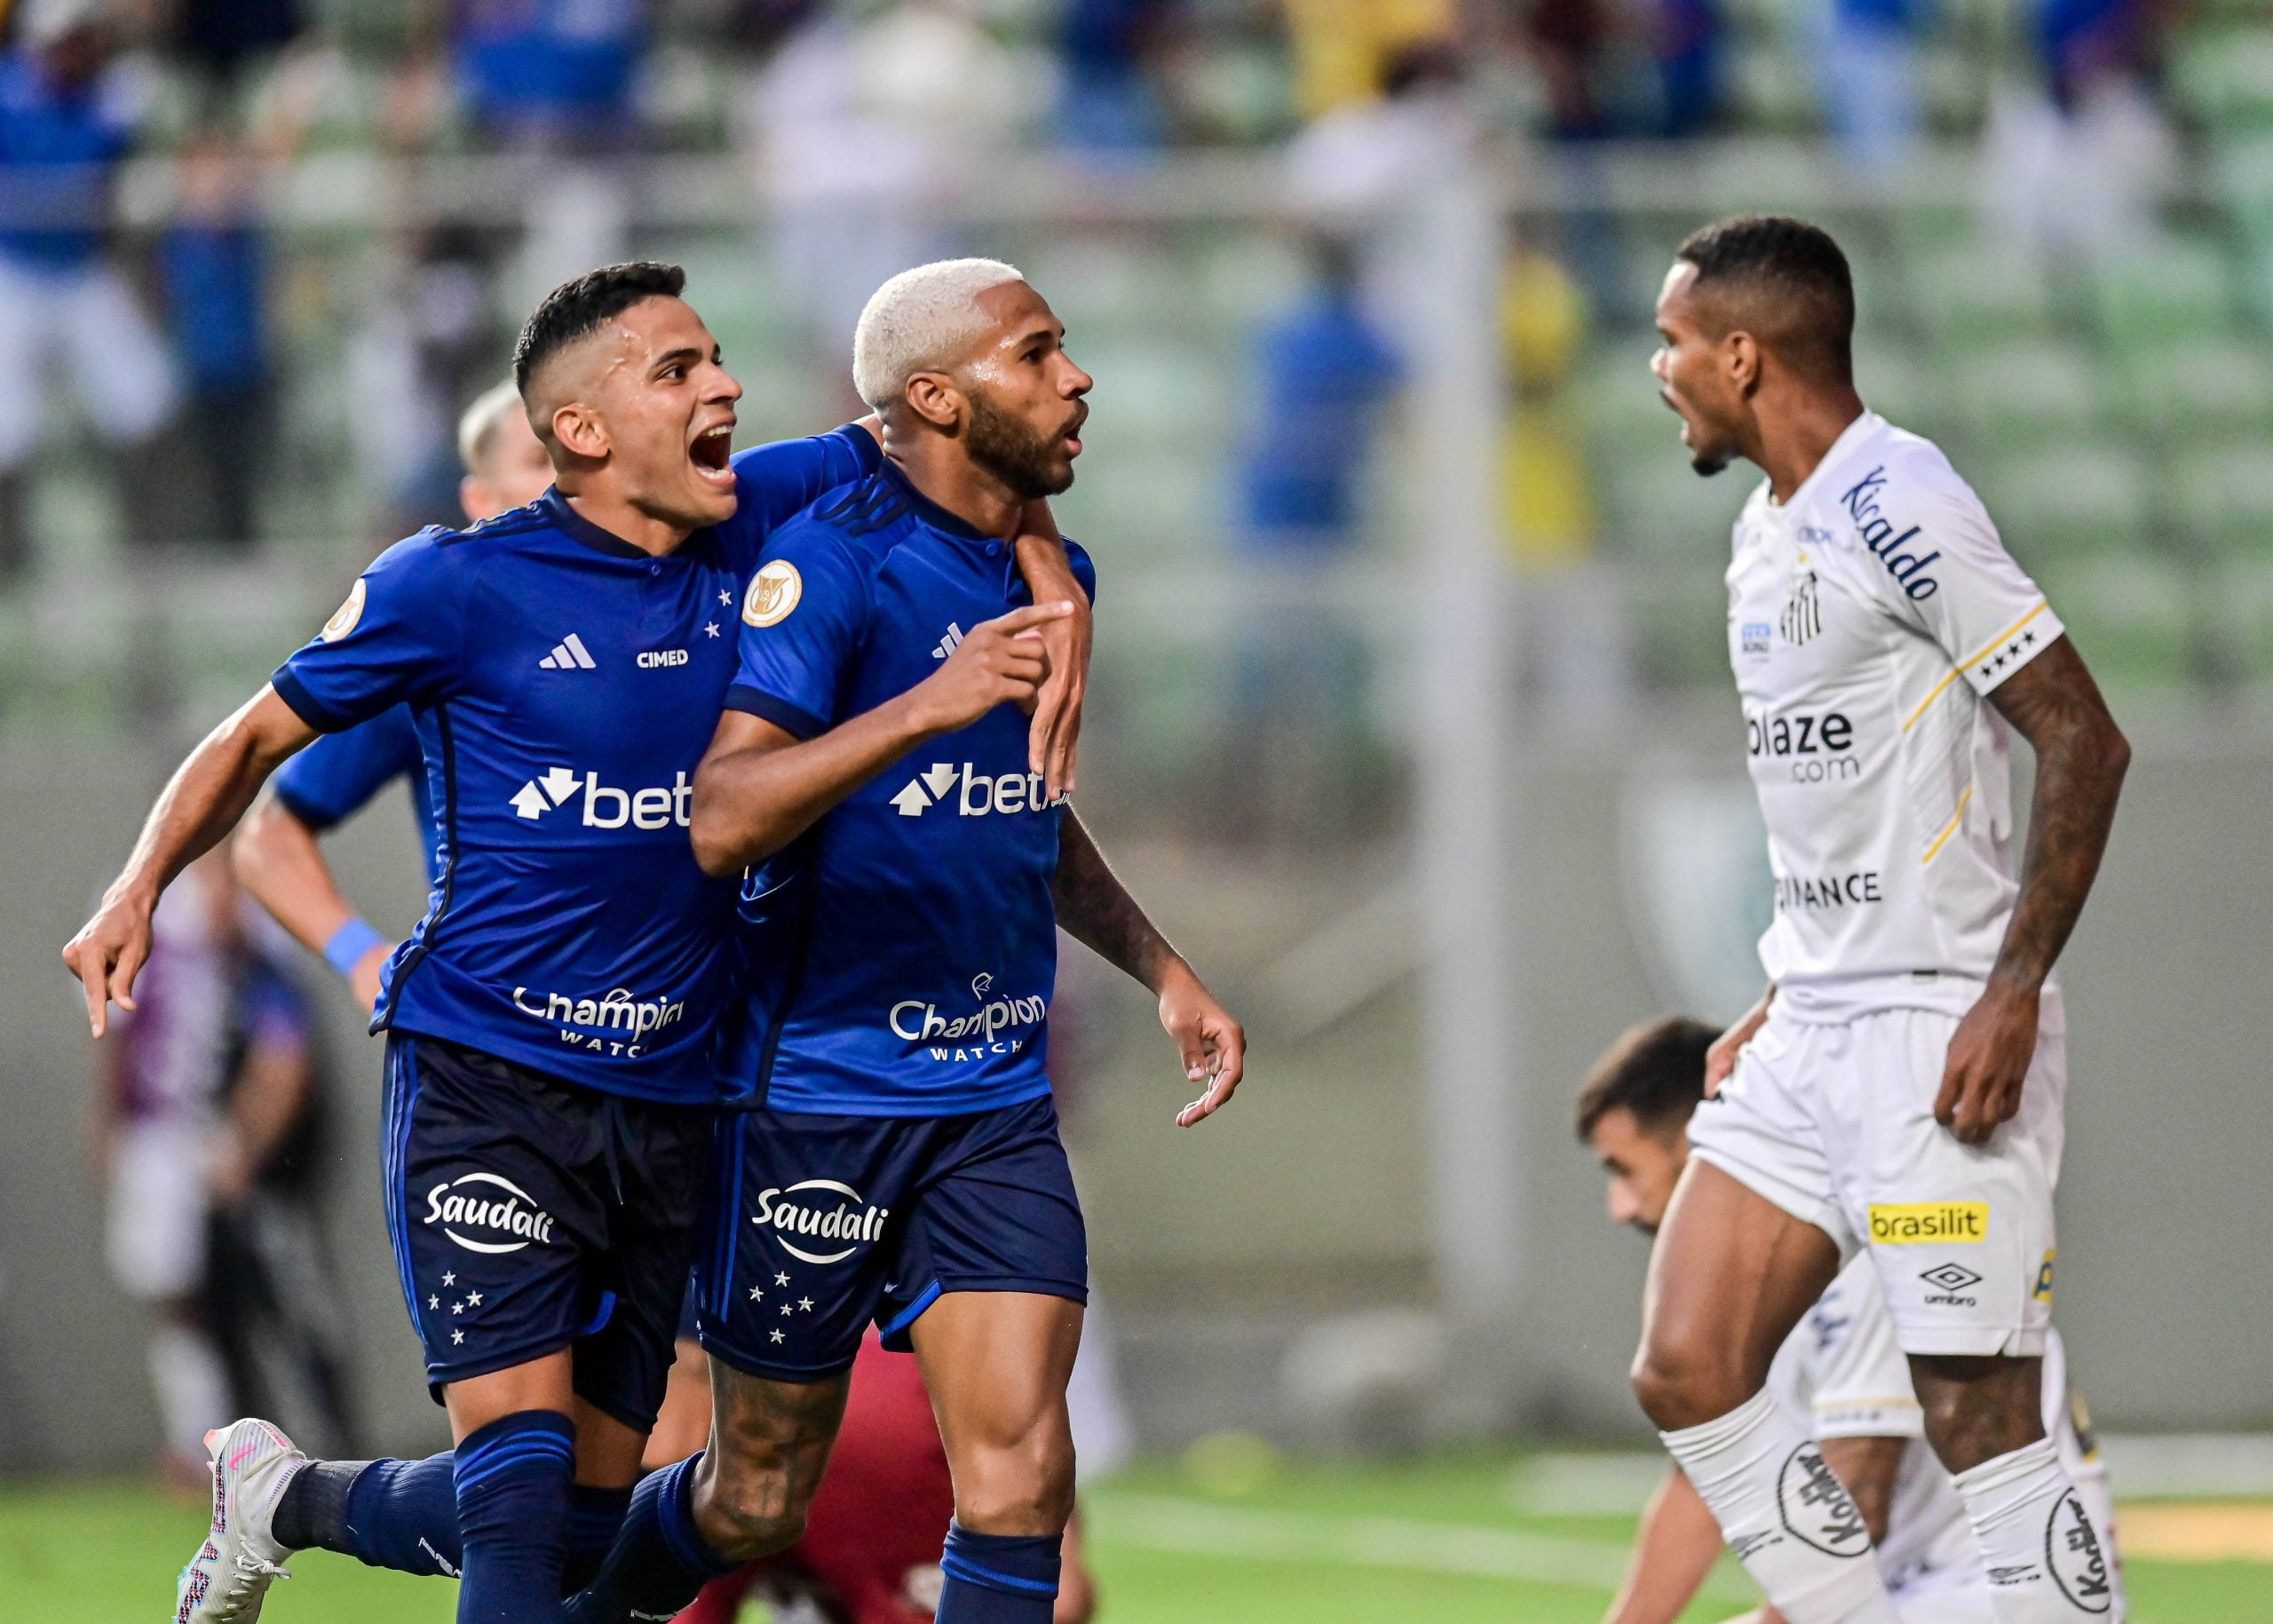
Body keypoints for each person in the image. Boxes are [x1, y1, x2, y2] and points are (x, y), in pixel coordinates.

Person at [62, 260, 1093, 1624]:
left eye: (718, 359)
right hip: (490, 1077)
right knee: (518, 1495)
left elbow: (963, 443)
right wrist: (136, 884)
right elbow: (257, 740)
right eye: (678, 371)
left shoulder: (758, 525)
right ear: (583, 432)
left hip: (676, 1094)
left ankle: (285, 1499)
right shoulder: (452, 587)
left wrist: (1042, 571)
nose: (722, 385)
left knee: (591, 1520)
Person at [561, 258, 1246, 1624]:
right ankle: (562, 1599)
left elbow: (1016, 815)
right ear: (936, 397)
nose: (1079, 376)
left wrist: (1165, 969)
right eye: (1039, 352)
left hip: (990, 1102)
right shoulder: (827, 566)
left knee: (1024, 1471)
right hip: (810, 1099)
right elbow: (722, 814)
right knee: (754, 1493)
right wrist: (928, 705)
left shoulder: (1057, 571)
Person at [1633, 214, 2130, 1624]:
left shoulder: (1897, 497)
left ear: (1743, 352)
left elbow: (2085, 737)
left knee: (1975, 1412)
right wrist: (1791, 989)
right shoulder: (1763, 527)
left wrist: (2012, 984)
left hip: (1938, 1020)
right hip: (1817, 1020)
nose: (1658, 370)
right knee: (1686, 1361)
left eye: (1673, 342)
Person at [1577, 1016, 2126, 1624]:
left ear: (1699, 1136)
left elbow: (1856, 1496)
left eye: (1622, 1169)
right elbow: (1702, 1489)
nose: (1618, 1206)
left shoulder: (1873, 1246)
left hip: (1979, 1598)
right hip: (1912, 1593)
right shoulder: (1757, 1270)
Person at [233, 380, 555, 1011]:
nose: (562, 482)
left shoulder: (678, 618)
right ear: (479, 500)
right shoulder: (434, 644)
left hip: (665, 1051)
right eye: (537, 461)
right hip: (491, 1054)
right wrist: (361, 956)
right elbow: (268, 838)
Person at [91, 851, 353, 1486]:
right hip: (201, 1159)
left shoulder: (263, 969)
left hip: (262, 1177)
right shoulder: (164, 943)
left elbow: (285, 1063)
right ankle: (226, 1451)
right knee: (204, 1308)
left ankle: (330, 1451)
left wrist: (249, 1146)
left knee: (288, 1307)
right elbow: (121, 1036)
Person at [0, 0, 184, 579]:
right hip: (17, 271)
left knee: (146, 400)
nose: (70, 53)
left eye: (79, 40)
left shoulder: (116, 96)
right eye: (60, 42)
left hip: (82, 270)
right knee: (7, 426)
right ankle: (12, 559)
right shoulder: (8, 94)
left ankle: (148, 552)